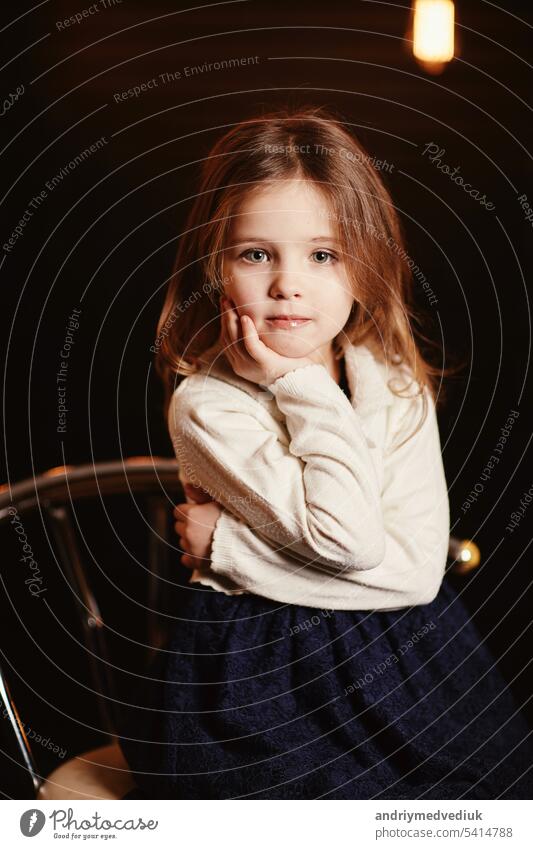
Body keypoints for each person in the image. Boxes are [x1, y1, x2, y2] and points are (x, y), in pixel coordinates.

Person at [118, 105, 533, 799]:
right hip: (260, 671)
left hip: (408, 657)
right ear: (216, 266)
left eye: (323, 255)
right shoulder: (208, 405)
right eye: (255, 254)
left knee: (485, 797)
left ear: (363, 270)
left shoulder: (393, 384)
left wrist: (233, 547)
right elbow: (348, 539)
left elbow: (414, 576)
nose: (287, 283)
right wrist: (298, 377)